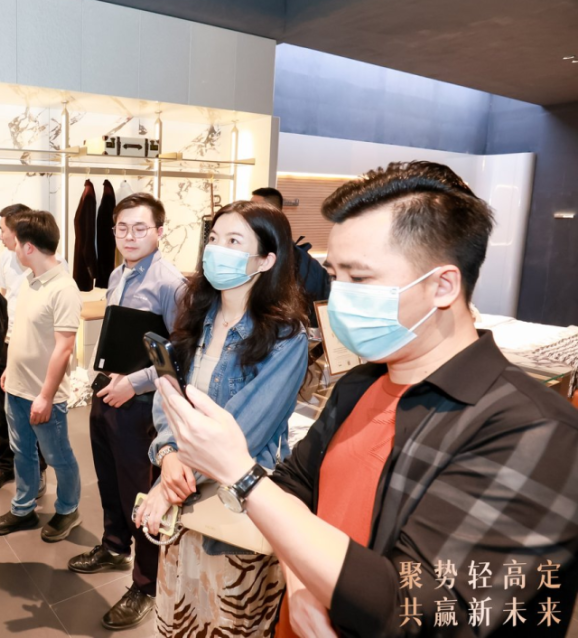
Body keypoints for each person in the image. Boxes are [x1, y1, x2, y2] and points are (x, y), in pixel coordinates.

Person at [160, 162, 578, 637]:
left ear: (443, 286)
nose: (339, 298)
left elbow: (418, 610)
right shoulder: (360, 385)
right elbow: (295, 488)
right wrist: (301, 581)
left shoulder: (536, 430)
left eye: (359, 279)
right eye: (335, 276)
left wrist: (240, 473)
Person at [136, 200, 309, 636]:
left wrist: (172, 480)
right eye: (214, 239)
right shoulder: (199, 315)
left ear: (266, 260)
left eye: (234, 241)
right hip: (183, 497)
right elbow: (168, 394)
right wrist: (168, 454)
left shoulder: (286, 337)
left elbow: (246, 427)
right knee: (181, 616)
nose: (217, 250)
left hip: (235, 505)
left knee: (229, 619)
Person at [69, 193, 186, 630]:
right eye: (122, 228)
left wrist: (133, 384)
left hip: (142, 406)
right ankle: (114, 545)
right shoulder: (118, 274)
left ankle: (146, 583)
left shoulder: (171, 284)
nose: (130, 236)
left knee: (141, 492)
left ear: (159, 231)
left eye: (140, 228)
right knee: (109, 480)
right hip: (108, 393)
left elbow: (180, 356)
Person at [0, 210, 84, 543]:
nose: (12, 247)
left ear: (28, 247)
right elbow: (22, 332)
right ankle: (23, 508)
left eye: (16, 242)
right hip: (17, 387)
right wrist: (10, 371)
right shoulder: (29, 280)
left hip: (44, 395)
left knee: (58, 456)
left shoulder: (63, 288)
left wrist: (45, 396)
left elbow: (64, 348)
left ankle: (68, 509)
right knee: (22, 452)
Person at [0, 203, 48, 499]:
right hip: (6, 345)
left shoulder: (46, 261)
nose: (0, 236)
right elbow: (3, 299)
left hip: (32, 346)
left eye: (3, 230)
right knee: (2, 410)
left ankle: (39, 469)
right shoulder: (7, 258)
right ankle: (5, 465)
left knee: (32, 412)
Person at [251, 186, 331, 322]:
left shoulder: (303, 263)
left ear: (273, 213)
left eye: (254, 209)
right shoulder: (254, 253)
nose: (247, 214)